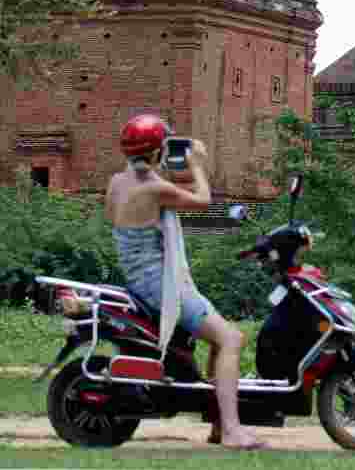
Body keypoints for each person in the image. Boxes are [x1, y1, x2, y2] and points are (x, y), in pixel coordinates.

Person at [105, 114, 265, 451]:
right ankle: (234, 431)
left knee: (221, 339)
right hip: (161, 284)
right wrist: (196, 164)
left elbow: (162, 194)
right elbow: (203, 200)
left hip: (139, 278)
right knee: (231, 338)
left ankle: (220, 425)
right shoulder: (154, 188)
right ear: (158, 151)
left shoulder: (118, 183)